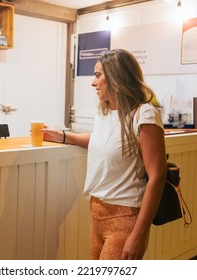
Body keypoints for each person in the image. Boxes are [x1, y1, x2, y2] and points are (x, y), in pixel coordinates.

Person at [42, 49, 166, 260]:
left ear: (117, 78)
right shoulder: (106, 111)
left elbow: (157, 176)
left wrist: (138, 234)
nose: (93, 82)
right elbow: (102, 140)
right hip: (97, 213)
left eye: (98, 75)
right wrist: (61, 136)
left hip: (125, 216)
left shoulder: (144, 114)